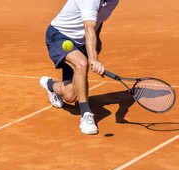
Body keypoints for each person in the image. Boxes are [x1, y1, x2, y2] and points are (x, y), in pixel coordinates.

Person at [40, 0, 120, 135]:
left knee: (69, 96)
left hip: (81, 42)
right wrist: (93, 59)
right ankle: (86, 115)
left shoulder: (114, 1)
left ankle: (49, 85)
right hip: (60, 36)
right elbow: (88, 27)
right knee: (82, 64)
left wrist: (97, 39)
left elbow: (99, 19)